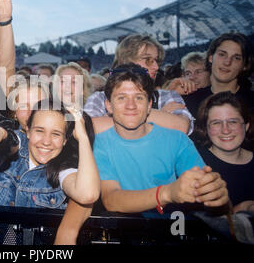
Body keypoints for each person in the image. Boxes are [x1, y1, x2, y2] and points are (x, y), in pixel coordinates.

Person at [94, 65, 228, 213]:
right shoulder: (100, 144)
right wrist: (167, 193)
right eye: (121, 98)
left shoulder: (177, 140)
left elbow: (203, 187)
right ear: (108, 105)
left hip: (170, 227)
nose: (130, 106)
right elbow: (112, 199)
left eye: (139, 97)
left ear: (149, 104)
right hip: (122, 229)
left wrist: (212, 191)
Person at [0, 98, 100, 208]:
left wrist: (83, 138)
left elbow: (88, 195)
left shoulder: (63, 169)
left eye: (56, 134)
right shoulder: (18, 143)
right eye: (39, 131)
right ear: (27, 131)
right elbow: (9, 142)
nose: (46, 141)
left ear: (65, 140)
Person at [85, 34, 194, 135]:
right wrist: (159, 115)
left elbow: (182, 126)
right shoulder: (99, 98)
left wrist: (114, 117)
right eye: (148, 60)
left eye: (156, 60)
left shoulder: (166, 96)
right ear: (126, 61)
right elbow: (87, 129)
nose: (156, 67)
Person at [195, 91, 254, 212]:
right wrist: (240, 209)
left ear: (246, 126)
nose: (225, 130)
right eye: (216, 123)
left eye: (233, 121)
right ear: (206, 128)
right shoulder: (194, 163)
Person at [183, 32, 254, 120]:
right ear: (211, 57)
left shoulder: (251, 102)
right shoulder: (189, 100)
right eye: (222, 54)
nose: (227, 62)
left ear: (245, 65)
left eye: (236, 58)